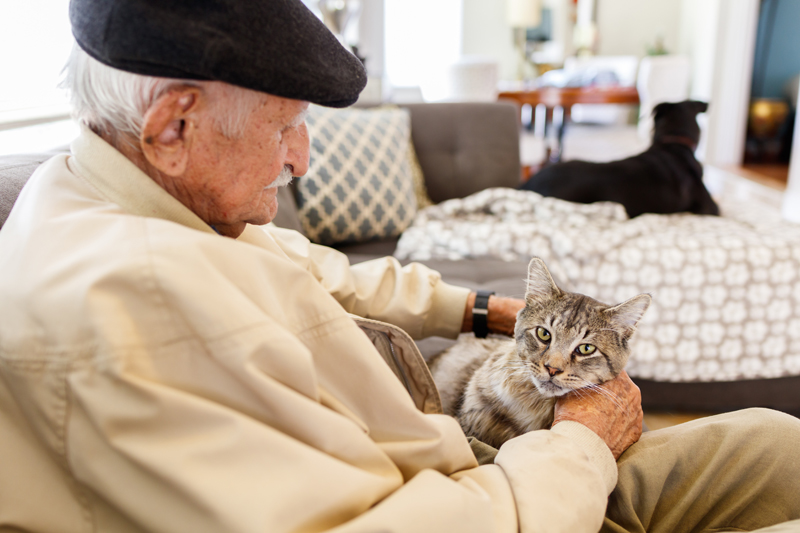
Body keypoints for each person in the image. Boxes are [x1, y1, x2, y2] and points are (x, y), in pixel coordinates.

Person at [0, 1, 798, 532]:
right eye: (285, 127)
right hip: (488, 500)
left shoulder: (126, 193)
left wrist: (484, 309)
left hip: (473, 473)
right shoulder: (138, 308)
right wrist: (584, 441)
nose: (302, 157)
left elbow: (313, 267)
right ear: (173, 123)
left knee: (773, 437)